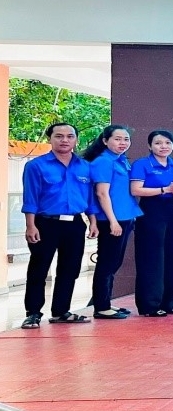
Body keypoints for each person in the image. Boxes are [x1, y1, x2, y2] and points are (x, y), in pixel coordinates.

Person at [20, 123, 100, 329]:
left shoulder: (85, 167)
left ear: (76, 140)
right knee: (39, 268)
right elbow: (30, 198)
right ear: (50, 139)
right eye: (59, 136)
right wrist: (30, 226)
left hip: (74, 224)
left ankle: (61, 311)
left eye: (70, 136)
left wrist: (92, 221)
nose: (65, 140)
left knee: (70, 268)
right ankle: (33, 313)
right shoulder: (36, 166)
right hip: (45, 223)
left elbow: (90, 198)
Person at [85, 125, 142, 319]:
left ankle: (106, 302)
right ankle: (101, 307)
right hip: (111, 220)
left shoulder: (121, 160)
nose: (122, 143)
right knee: (106, 263)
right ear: (105, 141)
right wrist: (112, 221)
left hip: (125, 217)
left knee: (114, 263)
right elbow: (102, 193)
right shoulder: (103, 161)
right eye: (117, 139)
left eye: (126, 139)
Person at [131, 130, 173, 317]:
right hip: (150, 211)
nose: (163, 146)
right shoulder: (142, 164)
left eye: (167, 143)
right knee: (152, 258)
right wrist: (166, 189)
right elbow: (135, 190)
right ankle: (150, 305)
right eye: (158, 143)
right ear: (150, 146)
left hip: (172, 211)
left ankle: (169, 302)